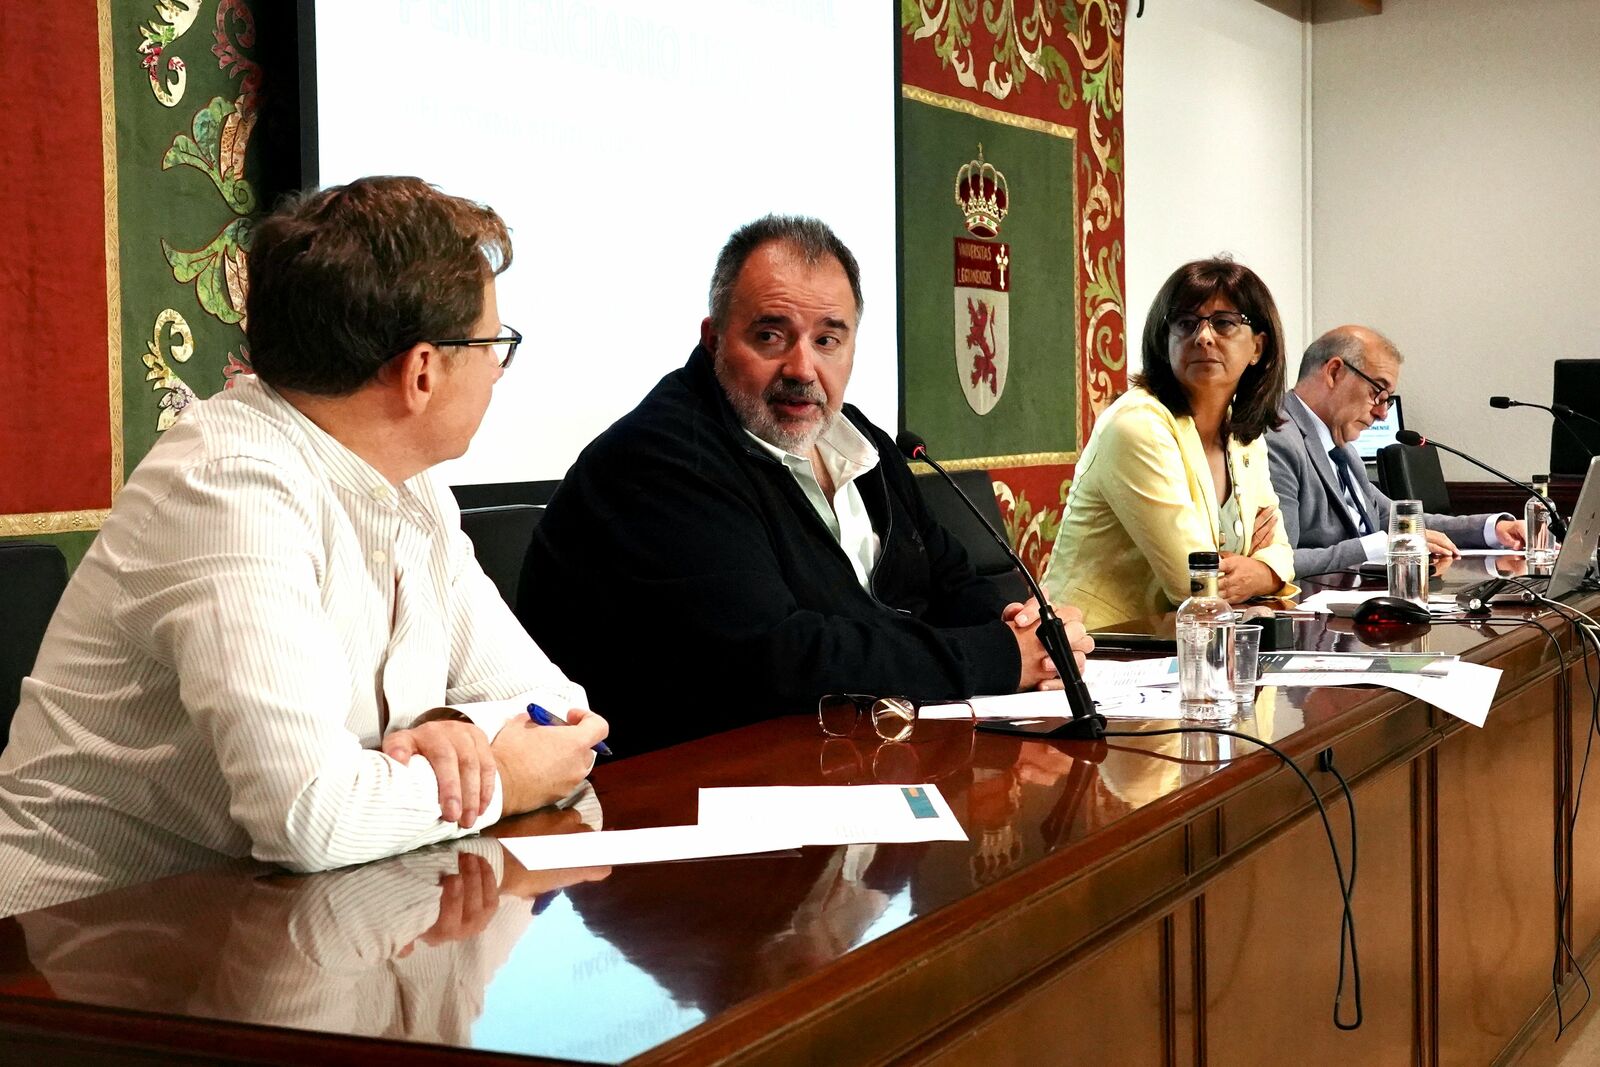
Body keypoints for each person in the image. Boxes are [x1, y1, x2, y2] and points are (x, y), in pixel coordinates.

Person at [0, 176, 608, 917]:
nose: (496, 369)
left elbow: (563, 717)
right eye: (491, 345)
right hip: (74, 952)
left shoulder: (411, 490)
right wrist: (502, 780)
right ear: (421, 372)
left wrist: (452, 731)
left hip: (276, 920)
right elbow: (308, 817)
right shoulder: (227, 487)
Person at [519, 215, 1091, 753]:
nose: (801, 369)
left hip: (861, 755)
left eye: (827, 340)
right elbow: (779, 658)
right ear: (712, 339)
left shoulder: (856, 439)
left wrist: (1024, 628)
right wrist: (998, 657)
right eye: (771, 336)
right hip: (697, 795)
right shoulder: (662, 457)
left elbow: (947, 579)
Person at [1041, 257, 1296, 630]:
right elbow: (1191, 584)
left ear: (1258, 347)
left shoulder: (1242, 431)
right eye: (1186, 323)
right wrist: (1252, 564)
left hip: (1183, 643)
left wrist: (1263, 571)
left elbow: (1283, 550)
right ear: (1165, 341)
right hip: (1102, 645)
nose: (1203, 337)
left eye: (1224, 323)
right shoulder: (1137, 425)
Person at [1265, 325, 1524, 578]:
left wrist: (1494, 529)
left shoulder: (1343, 450)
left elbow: (1401, 522)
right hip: (1316, 615)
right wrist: (1383, 546)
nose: (1382, 413)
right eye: (1378, 392)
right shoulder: (1277, 439)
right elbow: (1278, 561)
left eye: (1388, 399)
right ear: (1334, 372)